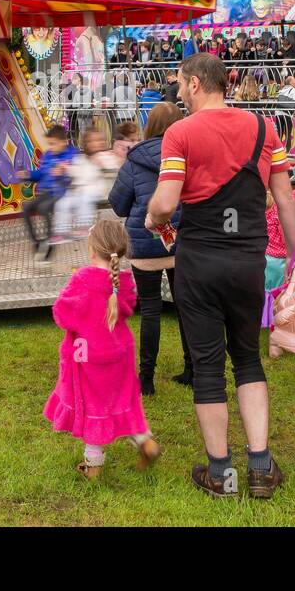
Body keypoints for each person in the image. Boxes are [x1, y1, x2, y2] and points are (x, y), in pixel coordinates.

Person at [145, 53, 295, 498]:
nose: (176, 92)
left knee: (209, 366)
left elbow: (166, 203)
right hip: (248, 261)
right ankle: (260, 467)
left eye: (178, 84)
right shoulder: (267, 129)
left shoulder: (179, 132)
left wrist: (154, 217)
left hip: (199, 262)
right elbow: (286, 201)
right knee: (247, 358)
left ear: (194, 84)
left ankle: (220, 473)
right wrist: (293, 257)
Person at [42, 219, 161, 480]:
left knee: (93, 409)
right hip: (120, 354)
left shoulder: (83, 280)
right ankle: (146, 442)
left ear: (92, 250)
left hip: (89, 357)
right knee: (123, 402)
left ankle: (93, 466)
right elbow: (126, 307)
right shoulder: (124, 282)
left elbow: (63, 314)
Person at [109, 102, 192, 395]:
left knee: (151, 310)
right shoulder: (187, 157)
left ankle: (146, 379)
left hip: (144, 244)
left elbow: (118, 204)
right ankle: (192, 368)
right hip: (181, 243)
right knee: (185, 307)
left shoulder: (134, 161)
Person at [17, 125, 76, 263]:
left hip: (61, 192)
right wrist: (28, 174)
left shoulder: (71, 155)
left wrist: (64, 172)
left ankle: (50, 243)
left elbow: (77, 174)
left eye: (53, 144)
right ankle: (36, 241)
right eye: (49, 144)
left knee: (44, 208)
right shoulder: (48, 155)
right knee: (26, 208)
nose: (51, 147)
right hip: (45, 192)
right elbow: (41, 173)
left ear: (63, 142)